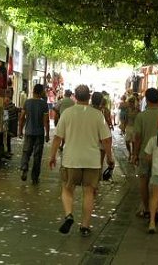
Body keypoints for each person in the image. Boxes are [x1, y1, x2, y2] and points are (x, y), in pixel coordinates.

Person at [49, 84, 114, 237]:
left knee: (67, 188)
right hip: (92, 160)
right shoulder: (97, 115)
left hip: (71, 158)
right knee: (89, 192)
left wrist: (52, 156)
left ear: (75, 97)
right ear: (89, 97)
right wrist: (110, 158)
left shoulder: (67, 113)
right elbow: (106, 140)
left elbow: (58, 138)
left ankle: (69, 214)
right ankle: (85, 226)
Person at [133, 88, 158, 219]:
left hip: (145, 154)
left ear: (147, 99)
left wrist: (135, 154)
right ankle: (157, 207)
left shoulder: (141, 116)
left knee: (144, 181)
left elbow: (137, 138)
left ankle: (147, 208)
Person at [19, 84, 50, 184]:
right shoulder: (44, 104)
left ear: (33, 91)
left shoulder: (27, 102)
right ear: (41, 92)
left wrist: (20, 130)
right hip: (39, 133)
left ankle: (24, 167)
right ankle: (35, 177)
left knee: (26, 152)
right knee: (37, 155)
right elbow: (46, 121)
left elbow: (22, 118)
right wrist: (47, 134)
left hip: (28, 132)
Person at [3, 92, 19, 159]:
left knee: (7, 137)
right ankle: (7, 151)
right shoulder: (7, 104)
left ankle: (8, 151)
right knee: (6, 138)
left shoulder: (9, 103)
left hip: (9, 122)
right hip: (7, 123)